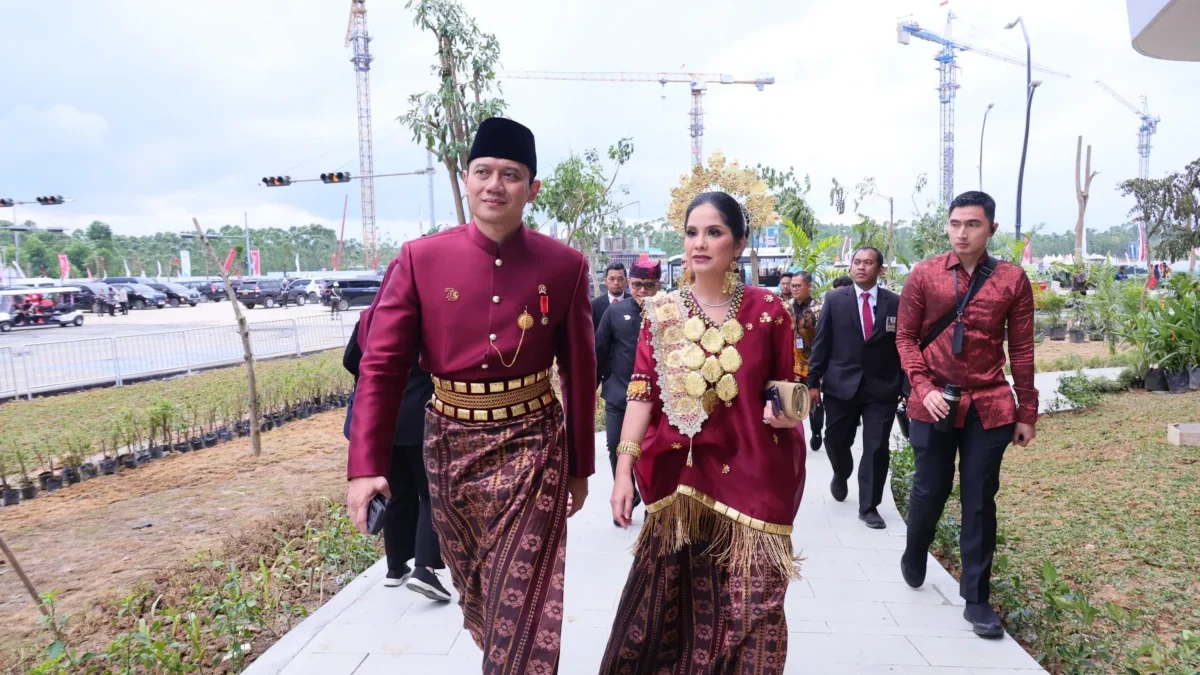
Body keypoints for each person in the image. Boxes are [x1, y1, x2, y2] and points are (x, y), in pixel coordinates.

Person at [347, 117, 595, 674]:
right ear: (466, 179)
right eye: (483, 172)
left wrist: (580, 466)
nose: (494, 185)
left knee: (525, 594)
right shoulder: (419, 259)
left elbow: (580, 371)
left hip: (534, 444)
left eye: (511, 175)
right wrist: (364, 467)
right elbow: (381, 366)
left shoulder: (566, 266)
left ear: (532, 189)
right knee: (483, 593)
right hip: (448, 447)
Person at [603, 191, 804, 674]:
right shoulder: (663, 312)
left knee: (755, 609)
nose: (699, 243)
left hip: (756, 478)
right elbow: (641, 395)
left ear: (738, 243)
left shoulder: (769, 310)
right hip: (680, 482)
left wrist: (790, 409)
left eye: (714, 232)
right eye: (692, 232)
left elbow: (789, 390)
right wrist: (622, 473)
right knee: (669, 612)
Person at [896, 190, 1038, 639]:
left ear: (991, 229)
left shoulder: (1012, 279)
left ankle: (976, 599)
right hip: (932, 400)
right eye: (955, 223)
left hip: (989, 404)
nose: (962, 232)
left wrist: (1027, 410)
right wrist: (923, 388)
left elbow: (1022, 349)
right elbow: (904, 339)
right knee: (929, 489)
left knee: (980, 501)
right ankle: (916, 547)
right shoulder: (924, 275)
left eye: (972, 224)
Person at [342, 320, 450, 600]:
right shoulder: (422, 318)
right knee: (429, 493)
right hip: (417, 417)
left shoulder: (369, 316)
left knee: (395, 492)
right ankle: (425, 570)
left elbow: (351, 360)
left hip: (378, 422)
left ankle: (395, 567)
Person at [807, 246, 903, 530]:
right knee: (835, 440)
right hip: (840, 385)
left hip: (881, 388)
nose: (861, 267)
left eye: (868, 263)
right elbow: (821, 341)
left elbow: (904, 345)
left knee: (876, 447)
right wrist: (813, 382)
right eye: (857, 262)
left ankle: (869, 506)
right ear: (850, 266)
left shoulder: (895, 302)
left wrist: (906, 385)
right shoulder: (835, 300)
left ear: (880, 269)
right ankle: (841, 472)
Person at [595, 254, 661, 524]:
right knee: (615, 446)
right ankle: (626, 493)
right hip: (619, 394)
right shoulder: (614, 312)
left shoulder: (669, 313)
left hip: (655, 399)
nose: (642, 291)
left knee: (651, 450)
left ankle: (653, 502)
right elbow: (599, 352)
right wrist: (594, 387)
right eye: (636, 285)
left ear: (658, 285)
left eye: (648, 285)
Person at [789, 271, 819, 453]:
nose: (794, 289)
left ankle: (816, 431)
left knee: (816, 402)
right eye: (792, 286)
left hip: (814, 362)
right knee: (793, 403)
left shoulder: (820, 308)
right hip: (791, 363)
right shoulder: (784, 307)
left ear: (809, 286)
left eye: (798, 286)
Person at [591, 262, 630, 331]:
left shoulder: (633, 302)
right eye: (612, 279)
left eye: (620, 279)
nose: (616, 283)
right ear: (606, 281)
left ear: (626, 281)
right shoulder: (595, 305)